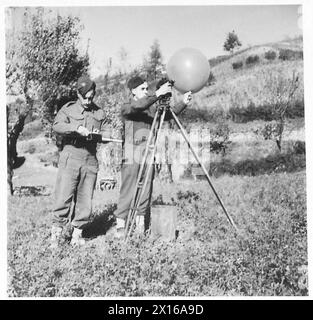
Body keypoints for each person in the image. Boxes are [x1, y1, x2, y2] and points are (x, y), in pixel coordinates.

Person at [113, 75, 192, 238]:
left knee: (146, 188)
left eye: (147, 88)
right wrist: (156, 94)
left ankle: (140, 224)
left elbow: (169, 114)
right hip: (131, 152)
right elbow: (137, 107)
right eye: (142, 89)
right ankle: (121, 224)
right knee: (128, 188)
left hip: (148, 152)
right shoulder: (128, 106)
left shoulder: (151, 109)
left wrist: (183, 101)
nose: (146, 91)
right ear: (133, 91)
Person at [50, 75, 107, 248]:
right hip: (71, 156)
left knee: (85, 200)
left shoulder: (99, 112)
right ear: (78, 94)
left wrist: (102, 136)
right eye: (85, 97)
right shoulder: (68, 109)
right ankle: (56, 236)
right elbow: (57, 126)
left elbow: (107, 132)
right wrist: (76, 129)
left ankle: (77, 235)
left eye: (91, 97)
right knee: (63, 196)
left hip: (90, 158)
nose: (88, 101)